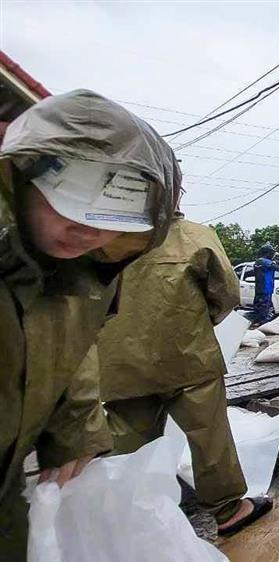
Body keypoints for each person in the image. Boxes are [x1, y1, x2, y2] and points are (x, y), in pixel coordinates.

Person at [0, 90, 180, 558]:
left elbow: (71, 349)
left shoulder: (87, 274)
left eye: (112, 211)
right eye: (70, 198)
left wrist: (75, 423)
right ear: (24, 174)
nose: (87, 229)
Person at [98, 207, 272, 538]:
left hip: (122, 362)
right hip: (188, 354)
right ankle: (228, 510)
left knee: (126, 443)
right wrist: (197, 321)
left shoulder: (107, 237)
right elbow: (227, 294)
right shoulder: (194, 236)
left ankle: (119, 520)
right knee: (208, 436)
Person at [253, 243, 279, 324]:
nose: (272, 255)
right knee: (264, 306)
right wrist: (278, 259)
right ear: (267, 253)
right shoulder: (263, 261)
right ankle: (262, 322)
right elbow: (278, 268)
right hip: (265, 288)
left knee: (262, 306)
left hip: (261, 288)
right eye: (271, 253)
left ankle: (259, 321)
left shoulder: (259, 261)